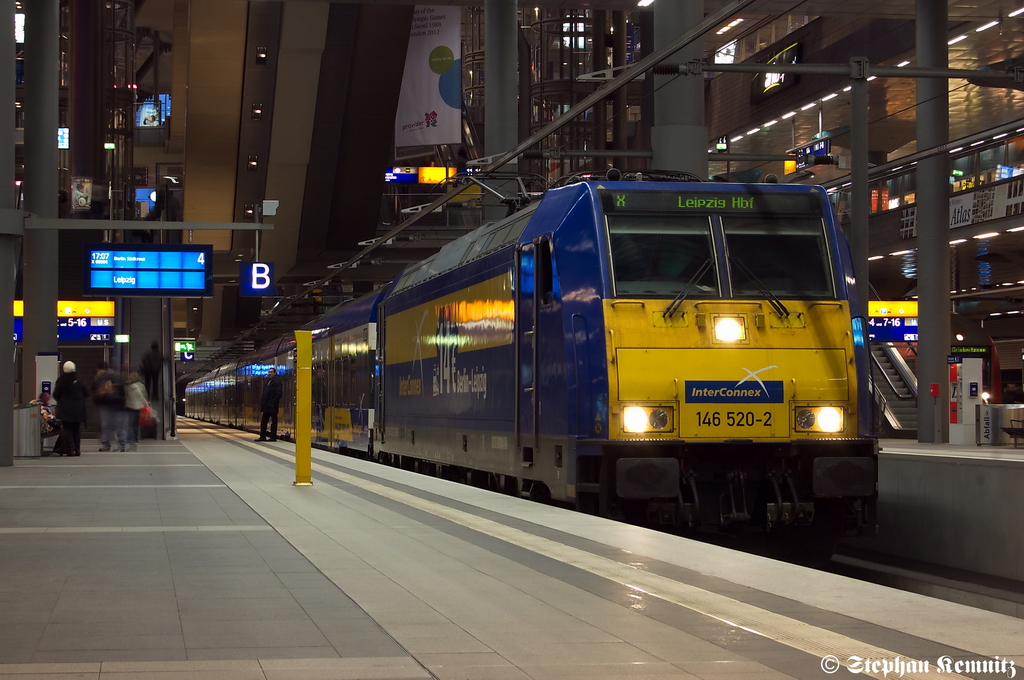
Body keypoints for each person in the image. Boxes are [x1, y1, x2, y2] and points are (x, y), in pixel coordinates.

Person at [53, 361, 89, 457]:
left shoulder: (61, 381)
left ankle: (71, 450)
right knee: (76, 429)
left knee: (67, 429)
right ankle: (78, 450)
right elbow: (87, 393)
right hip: (78, 408)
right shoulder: (80, 381)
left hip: (65, 408)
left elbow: (56, 394)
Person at [92, 361, 126, 451]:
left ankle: (107, 444)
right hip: (116, 403)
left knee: (107, 425)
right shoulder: (116, 377)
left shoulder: (99, 379)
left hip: (106, 404)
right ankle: (120, 444)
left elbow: (93, 392)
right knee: (116, 425)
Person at [123, 372, 149, 451]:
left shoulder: (129, 386)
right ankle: (135, 438)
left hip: (130, 407)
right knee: (135, 424)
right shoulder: (141, 386)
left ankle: (132, 440)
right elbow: (143, 396)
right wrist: (146, 404)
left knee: (129, 425)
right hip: (138, 407)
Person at [256, 367, 283, 442]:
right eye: (269, 372)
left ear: (274, 373)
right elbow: (264, 394)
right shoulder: (268, 381)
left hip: (272, 406)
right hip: (266, 406)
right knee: (264, 421)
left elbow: (278, 394)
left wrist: (272, 403)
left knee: (273, 421)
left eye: (271, 372)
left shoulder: (277, 382)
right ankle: (262, 436)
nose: (270, 373)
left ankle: (273, 436)